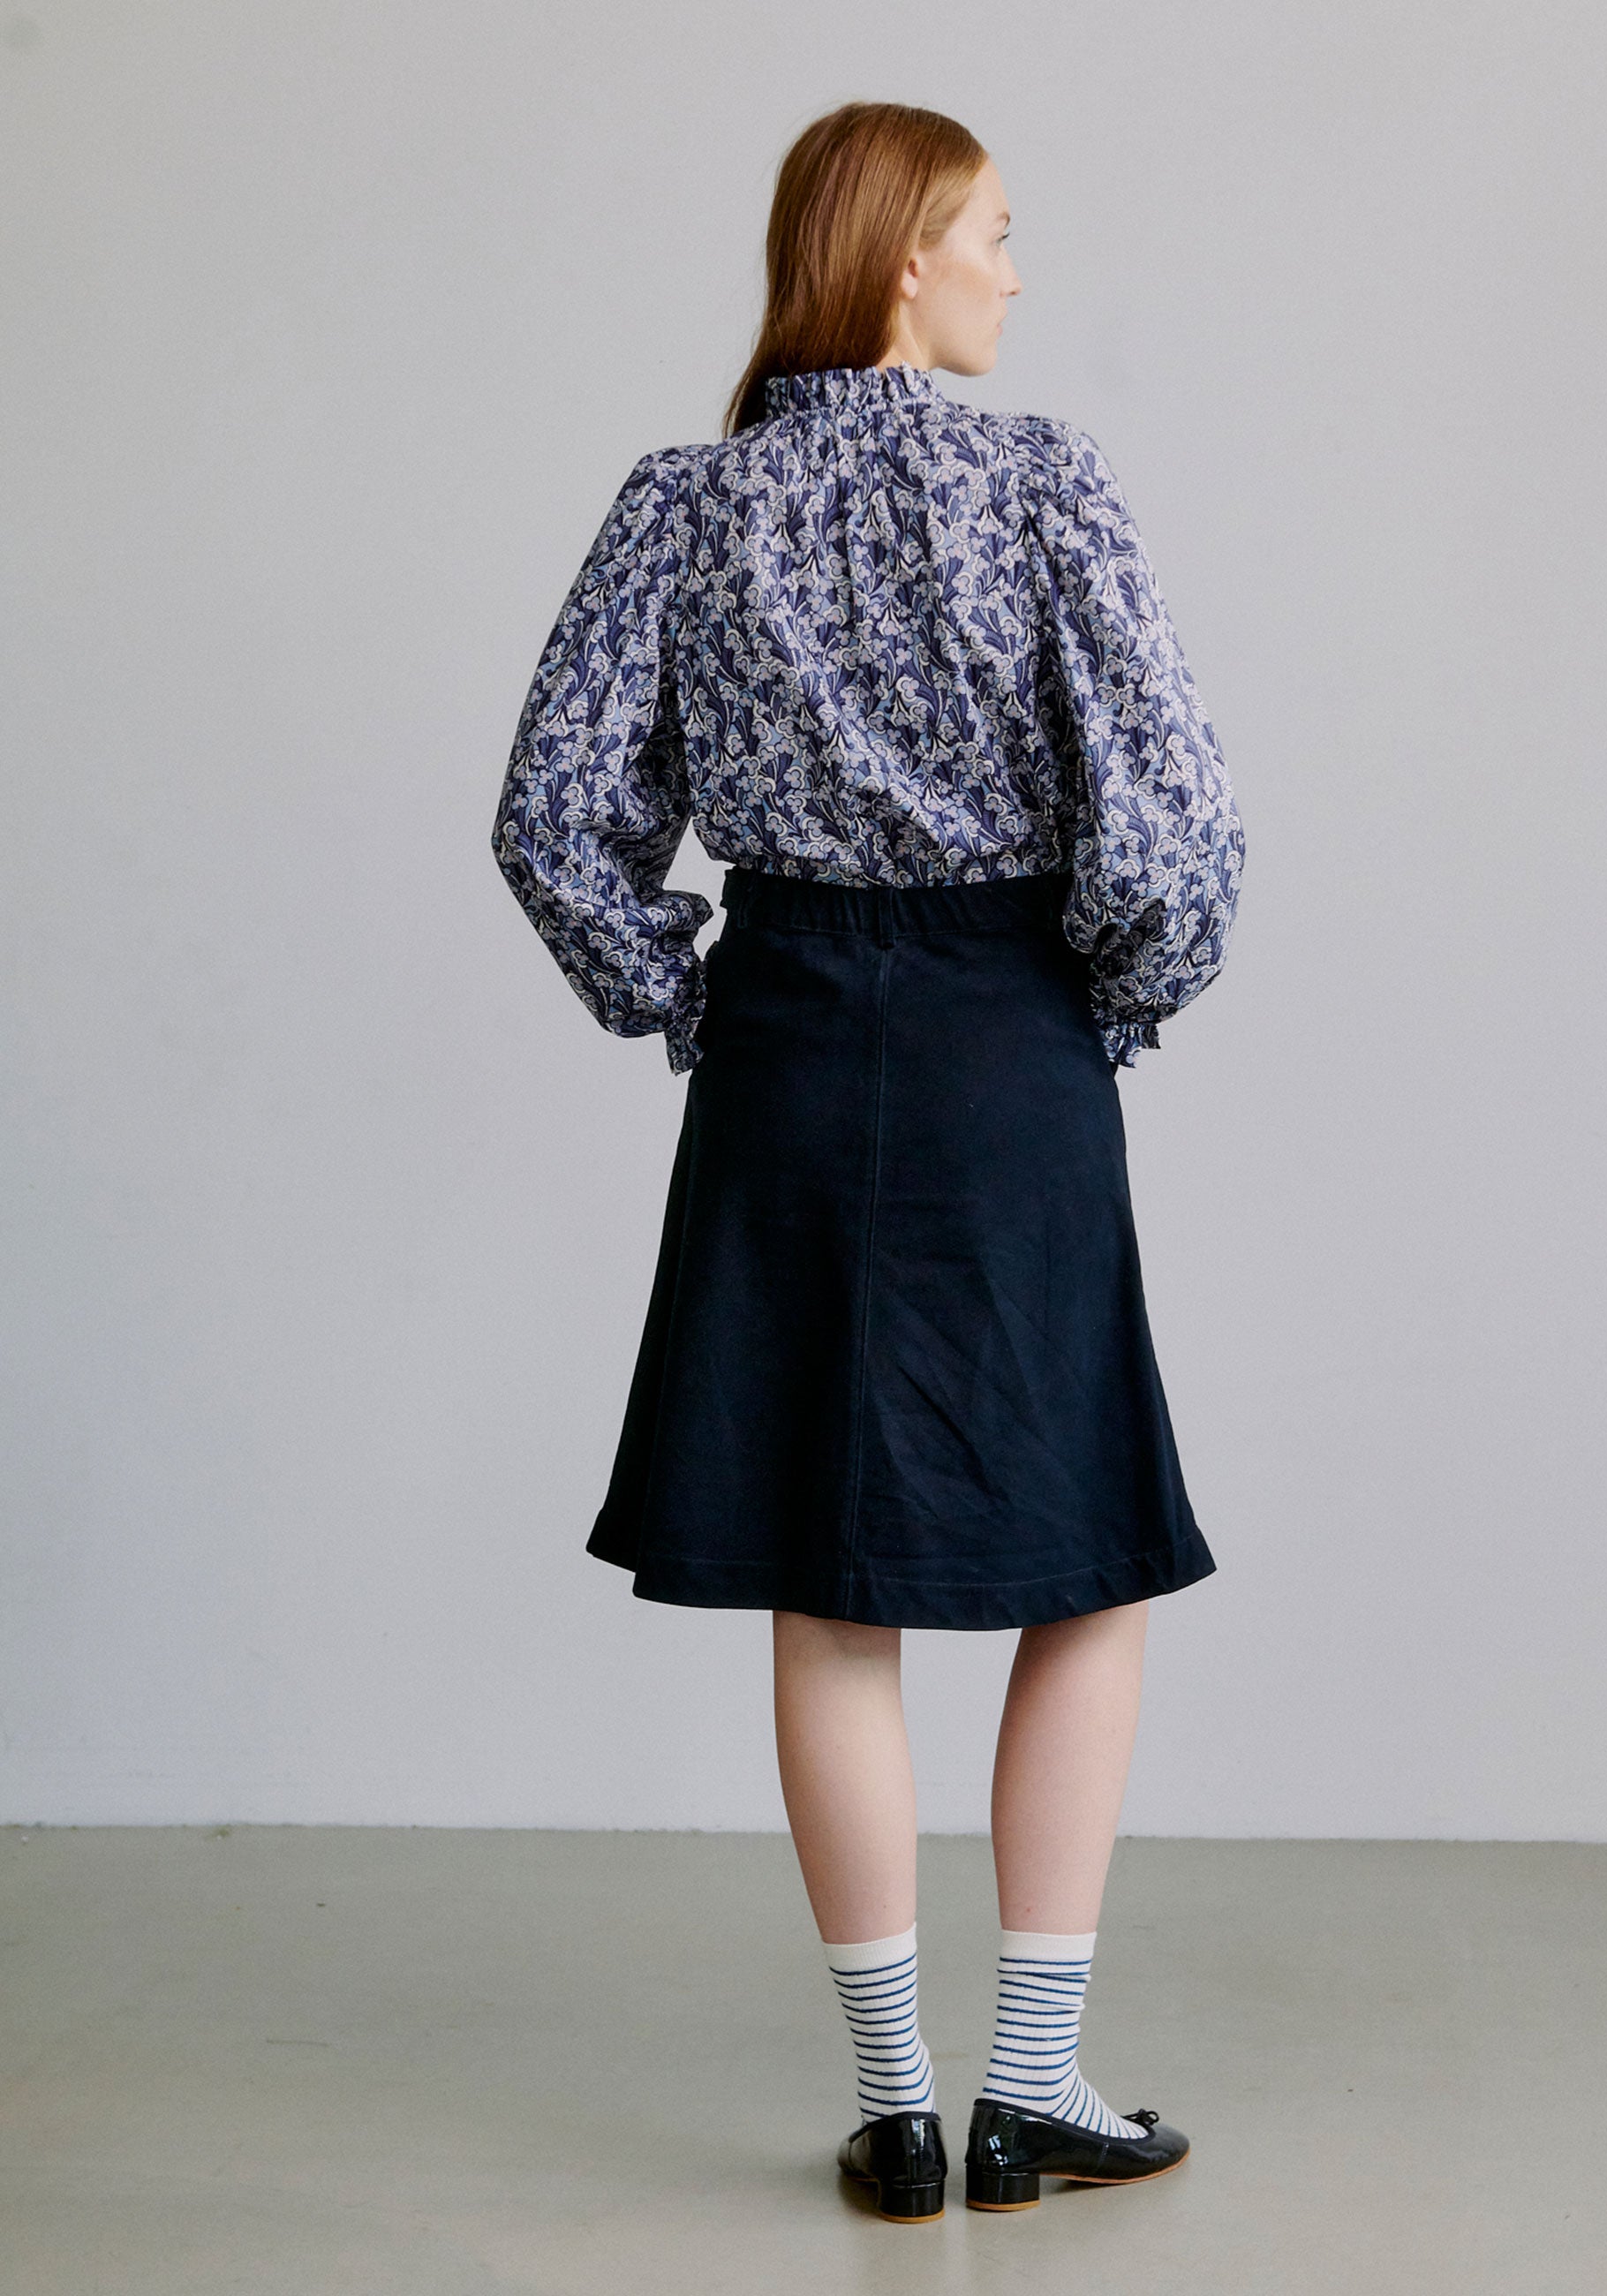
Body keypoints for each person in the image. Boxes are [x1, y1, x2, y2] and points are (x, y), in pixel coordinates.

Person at [491, 100, 1245, 2224]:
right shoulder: (1042, 485)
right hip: (1009, 1043)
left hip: (790, 1048)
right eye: (998, 232)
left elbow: (555, 821)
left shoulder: (683, 502)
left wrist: (693, 991)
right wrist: (1095, 1001)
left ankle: (901, 2108)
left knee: (830, 1586)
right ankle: (1035, 2085)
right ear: (904, 253)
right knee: (1082, 1551)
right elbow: (1175, 837)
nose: (1018, 268)